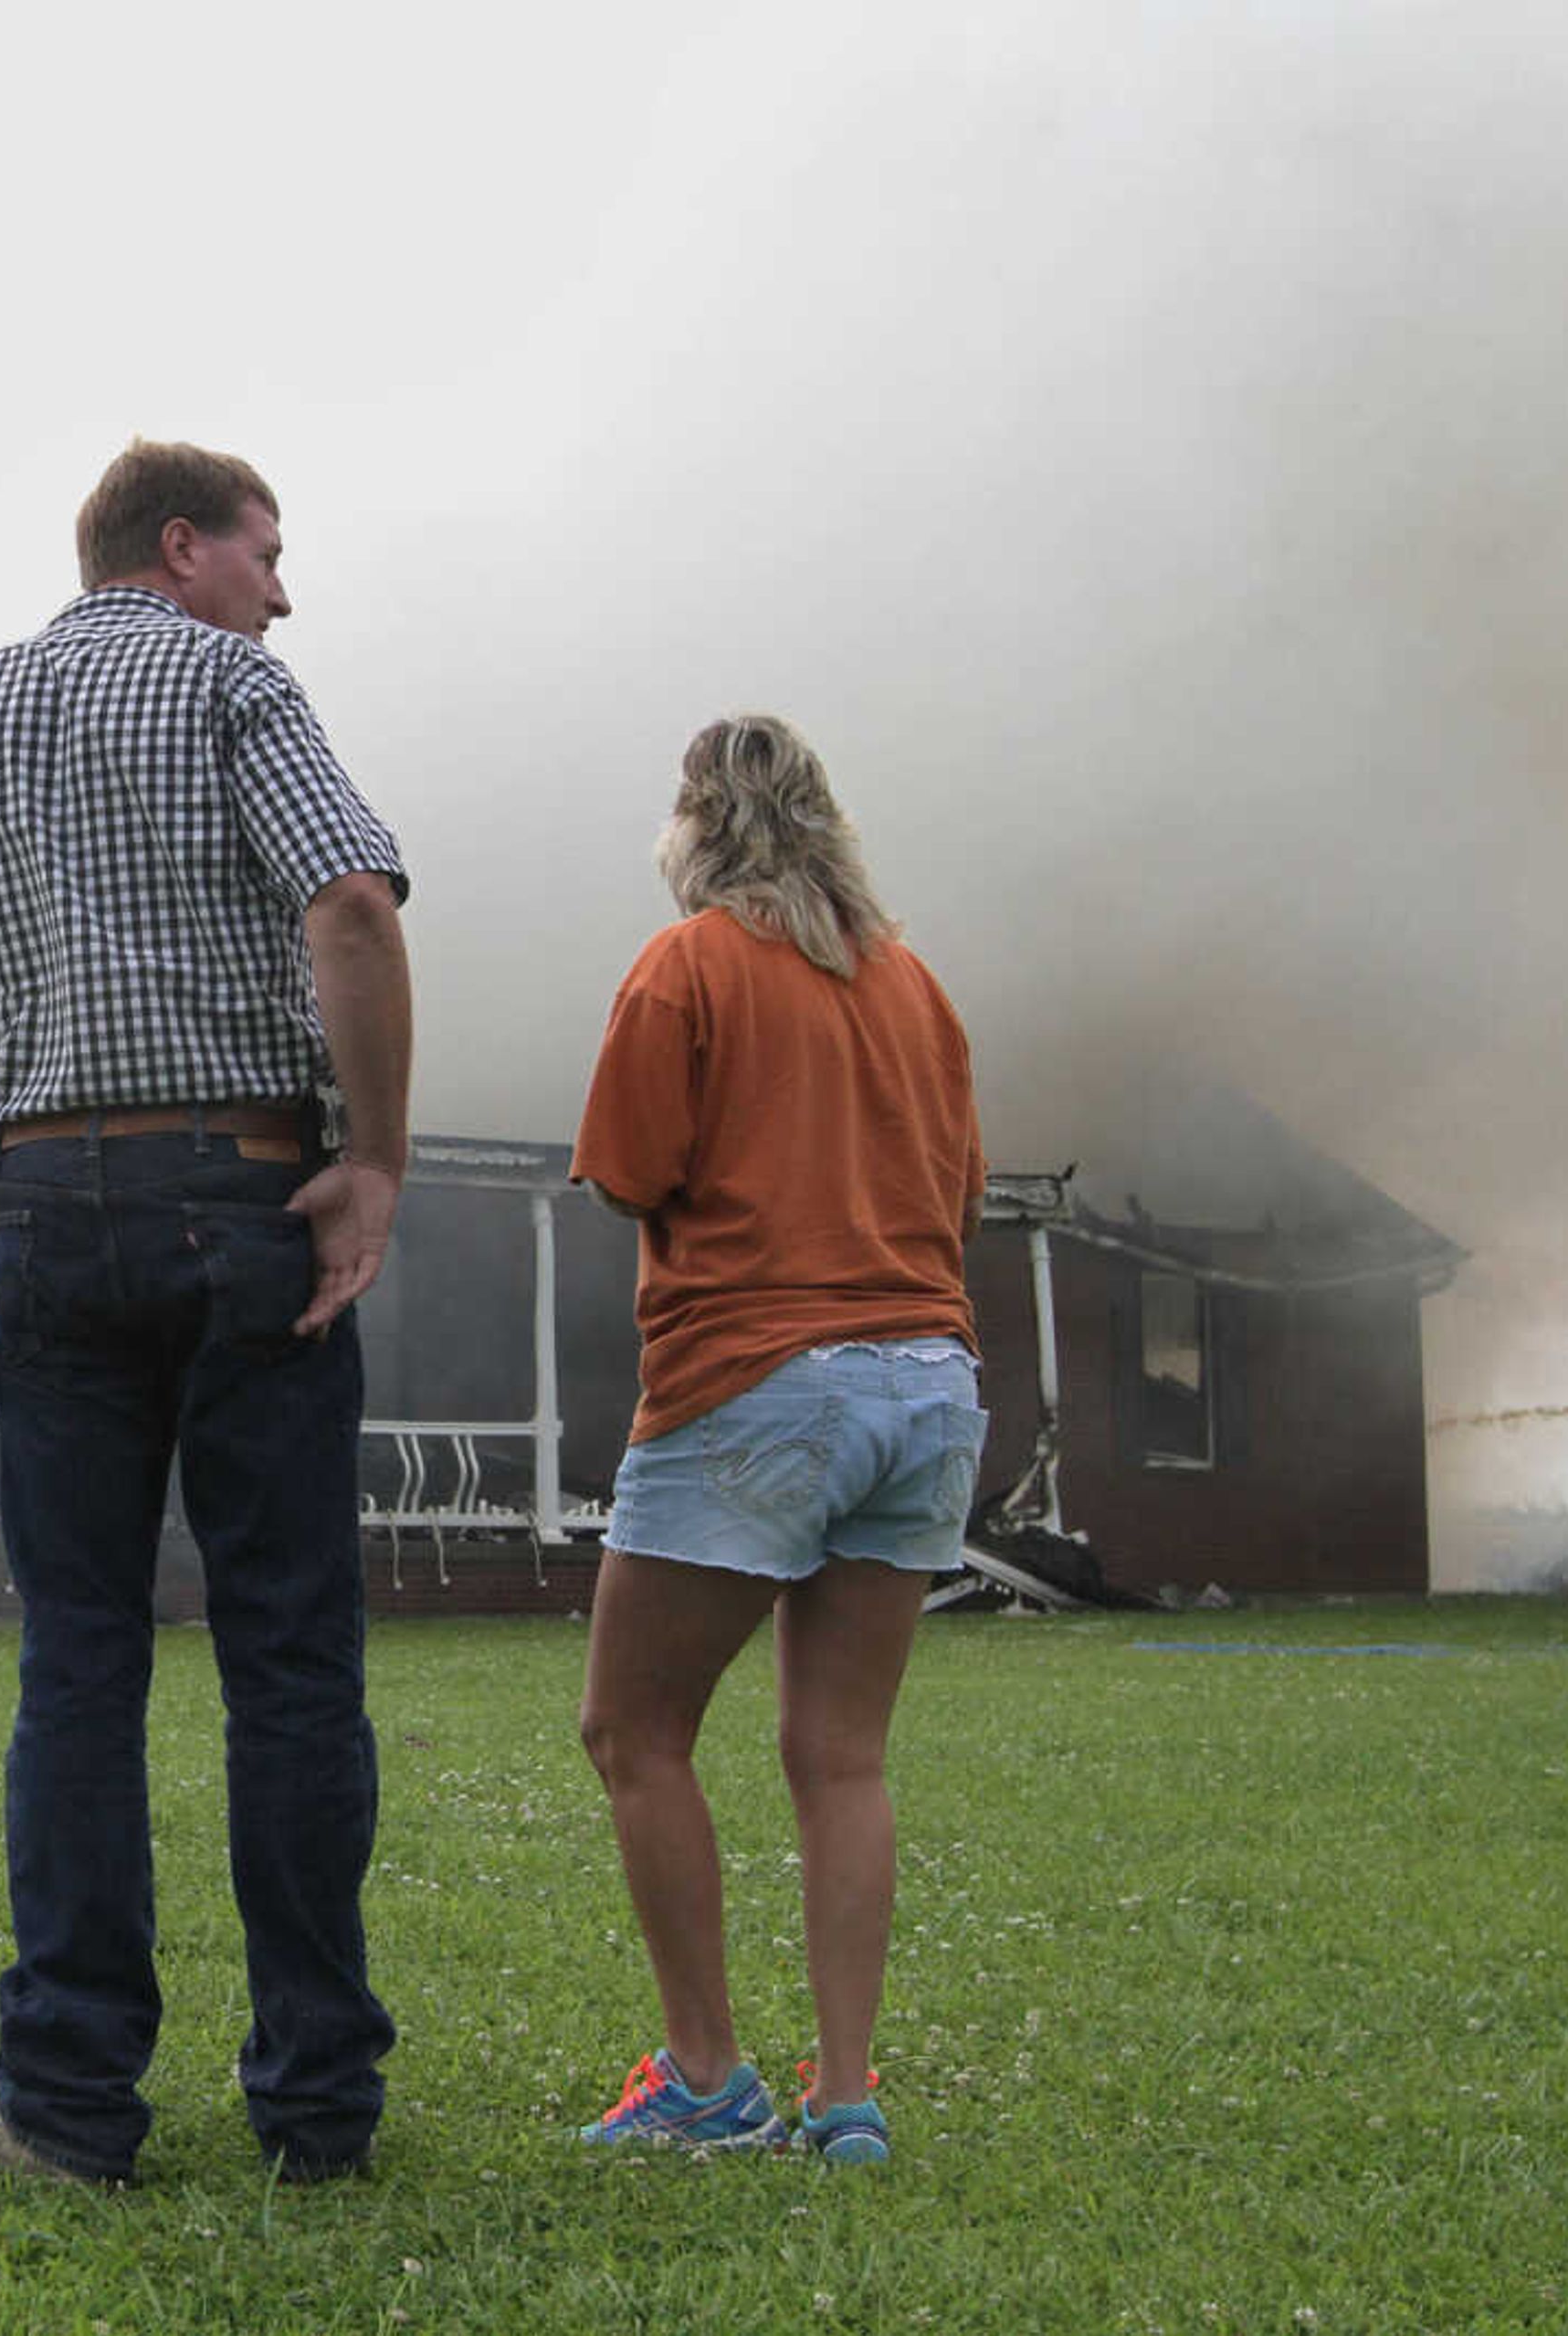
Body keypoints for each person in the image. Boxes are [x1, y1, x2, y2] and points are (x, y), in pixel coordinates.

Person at [0, 439, 414, 2186]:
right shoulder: (232, 681)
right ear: (179, 544)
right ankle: (317, 2113)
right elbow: (353, 901)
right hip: (245, 1193)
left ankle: (65, 2110)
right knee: (288, 1653)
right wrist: (374, 1164)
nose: (283, 591)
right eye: (266, 551)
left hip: (47, 1209)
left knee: (81, 1658)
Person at [567, 713, 987, 2168]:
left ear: (695, 830)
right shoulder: (916, 986)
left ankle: (706, 2074)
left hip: (759, 1374)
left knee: (634, 1730)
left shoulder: (685, 966)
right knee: (841, 1753)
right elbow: (957, 1192)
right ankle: (849, 2096)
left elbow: (631, 1170)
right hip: (931, 1382)